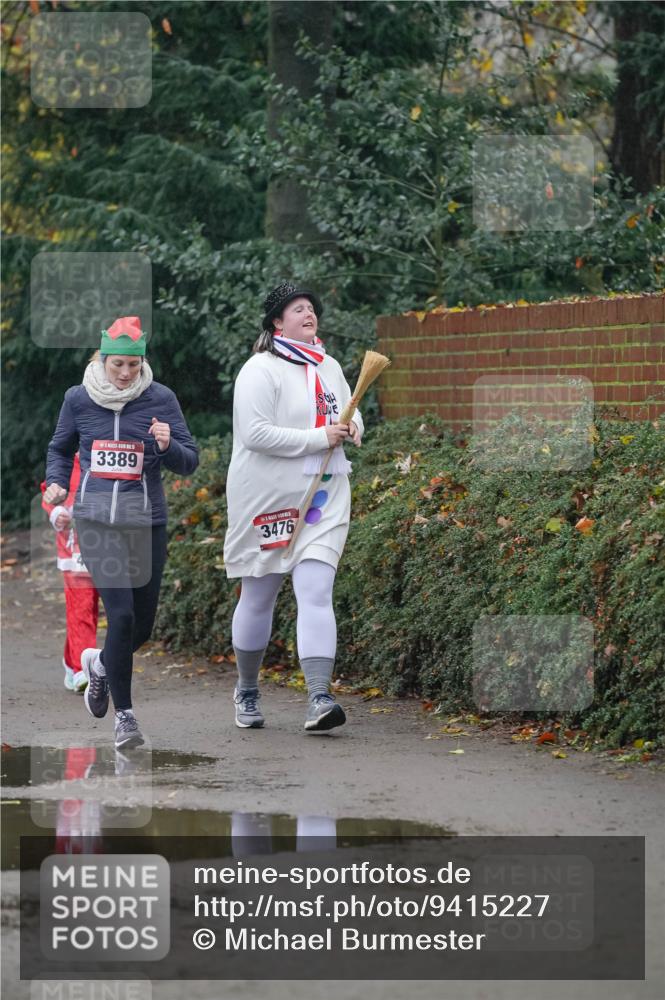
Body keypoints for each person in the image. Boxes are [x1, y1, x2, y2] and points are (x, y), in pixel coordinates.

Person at [44, 317, 198, 749]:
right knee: (122, 616)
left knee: (141, 628)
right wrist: (56, 483)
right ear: (102, 360)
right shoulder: (78, 398)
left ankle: (99, 664)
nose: (126, 373)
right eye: (118, 365)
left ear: (142, 362)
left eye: (133, 364)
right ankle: (125, 718)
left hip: (146, 523)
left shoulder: (161, 398)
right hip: (96, 521)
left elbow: (190, 461)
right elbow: (60, 449)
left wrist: (167, 446)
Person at [223, 282, 363, 733]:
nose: (308, 314)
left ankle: (319, 697)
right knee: (258, 596)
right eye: (297, 309)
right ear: (277, 323)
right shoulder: (259, 370)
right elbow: (255, 434)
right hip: (267, 499)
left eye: (311, 308)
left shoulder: (329, 365)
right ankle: (247, 688)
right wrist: (319, 438)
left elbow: (350, 410)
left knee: (316, 591)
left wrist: (353, 428)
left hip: (324, 495)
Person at [40, 452, 99, 693]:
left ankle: (70, 659)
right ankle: (82, 670)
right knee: (81, 609)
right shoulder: (66, 463)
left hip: (109, 551)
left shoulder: (112, 457)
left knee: (92, 611)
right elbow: (48, 492)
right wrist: (56, 512)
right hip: (74, 554)